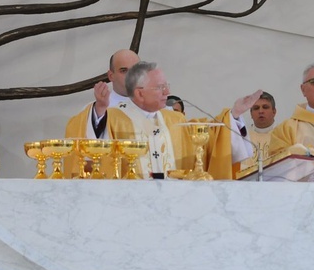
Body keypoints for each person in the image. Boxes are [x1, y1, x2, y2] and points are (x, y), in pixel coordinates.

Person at [95, 61, 256, 180]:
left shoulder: (176, 119)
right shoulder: (112, 118)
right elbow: (91, 150)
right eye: (160, 87)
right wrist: (100, 109)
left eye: (167, 85)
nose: (168, 92)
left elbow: (212, 137)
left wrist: (234, 114)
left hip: (175, 204)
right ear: (139, 93)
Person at [64, 49, 139, 178]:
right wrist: (100, 110)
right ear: (111, 76)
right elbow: (86, 155)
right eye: (124, 70)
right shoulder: (94, 110)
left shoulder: (159, 111)